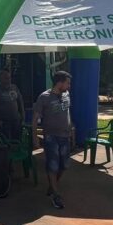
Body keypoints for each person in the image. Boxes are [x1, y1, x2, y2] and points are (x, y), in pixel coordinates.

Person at [32, 70, 72, 209]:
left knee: (64, 165)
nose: (69, 86)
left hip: (65, 136)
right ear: (59, 83)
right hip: (51, 137)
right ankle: (56, 194)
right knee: (53, 165)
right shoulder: (44, 97)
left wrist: (71, 127)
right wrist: (35, 137)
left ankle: (52, 185)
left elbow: (67, 112)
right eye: (67, 83)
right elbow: (35, 118)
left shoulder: (66, 94)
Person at [0, 68, 24, 143]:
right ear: (0, 79)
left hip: (16, 121)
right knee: (6, 142)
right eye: (6, 78)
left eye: (9, 78)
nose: (8, 80)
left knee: (17, 141)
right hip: (3, 123)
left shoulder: (14, 87)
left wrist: (22, 116)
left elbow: (20, 102)